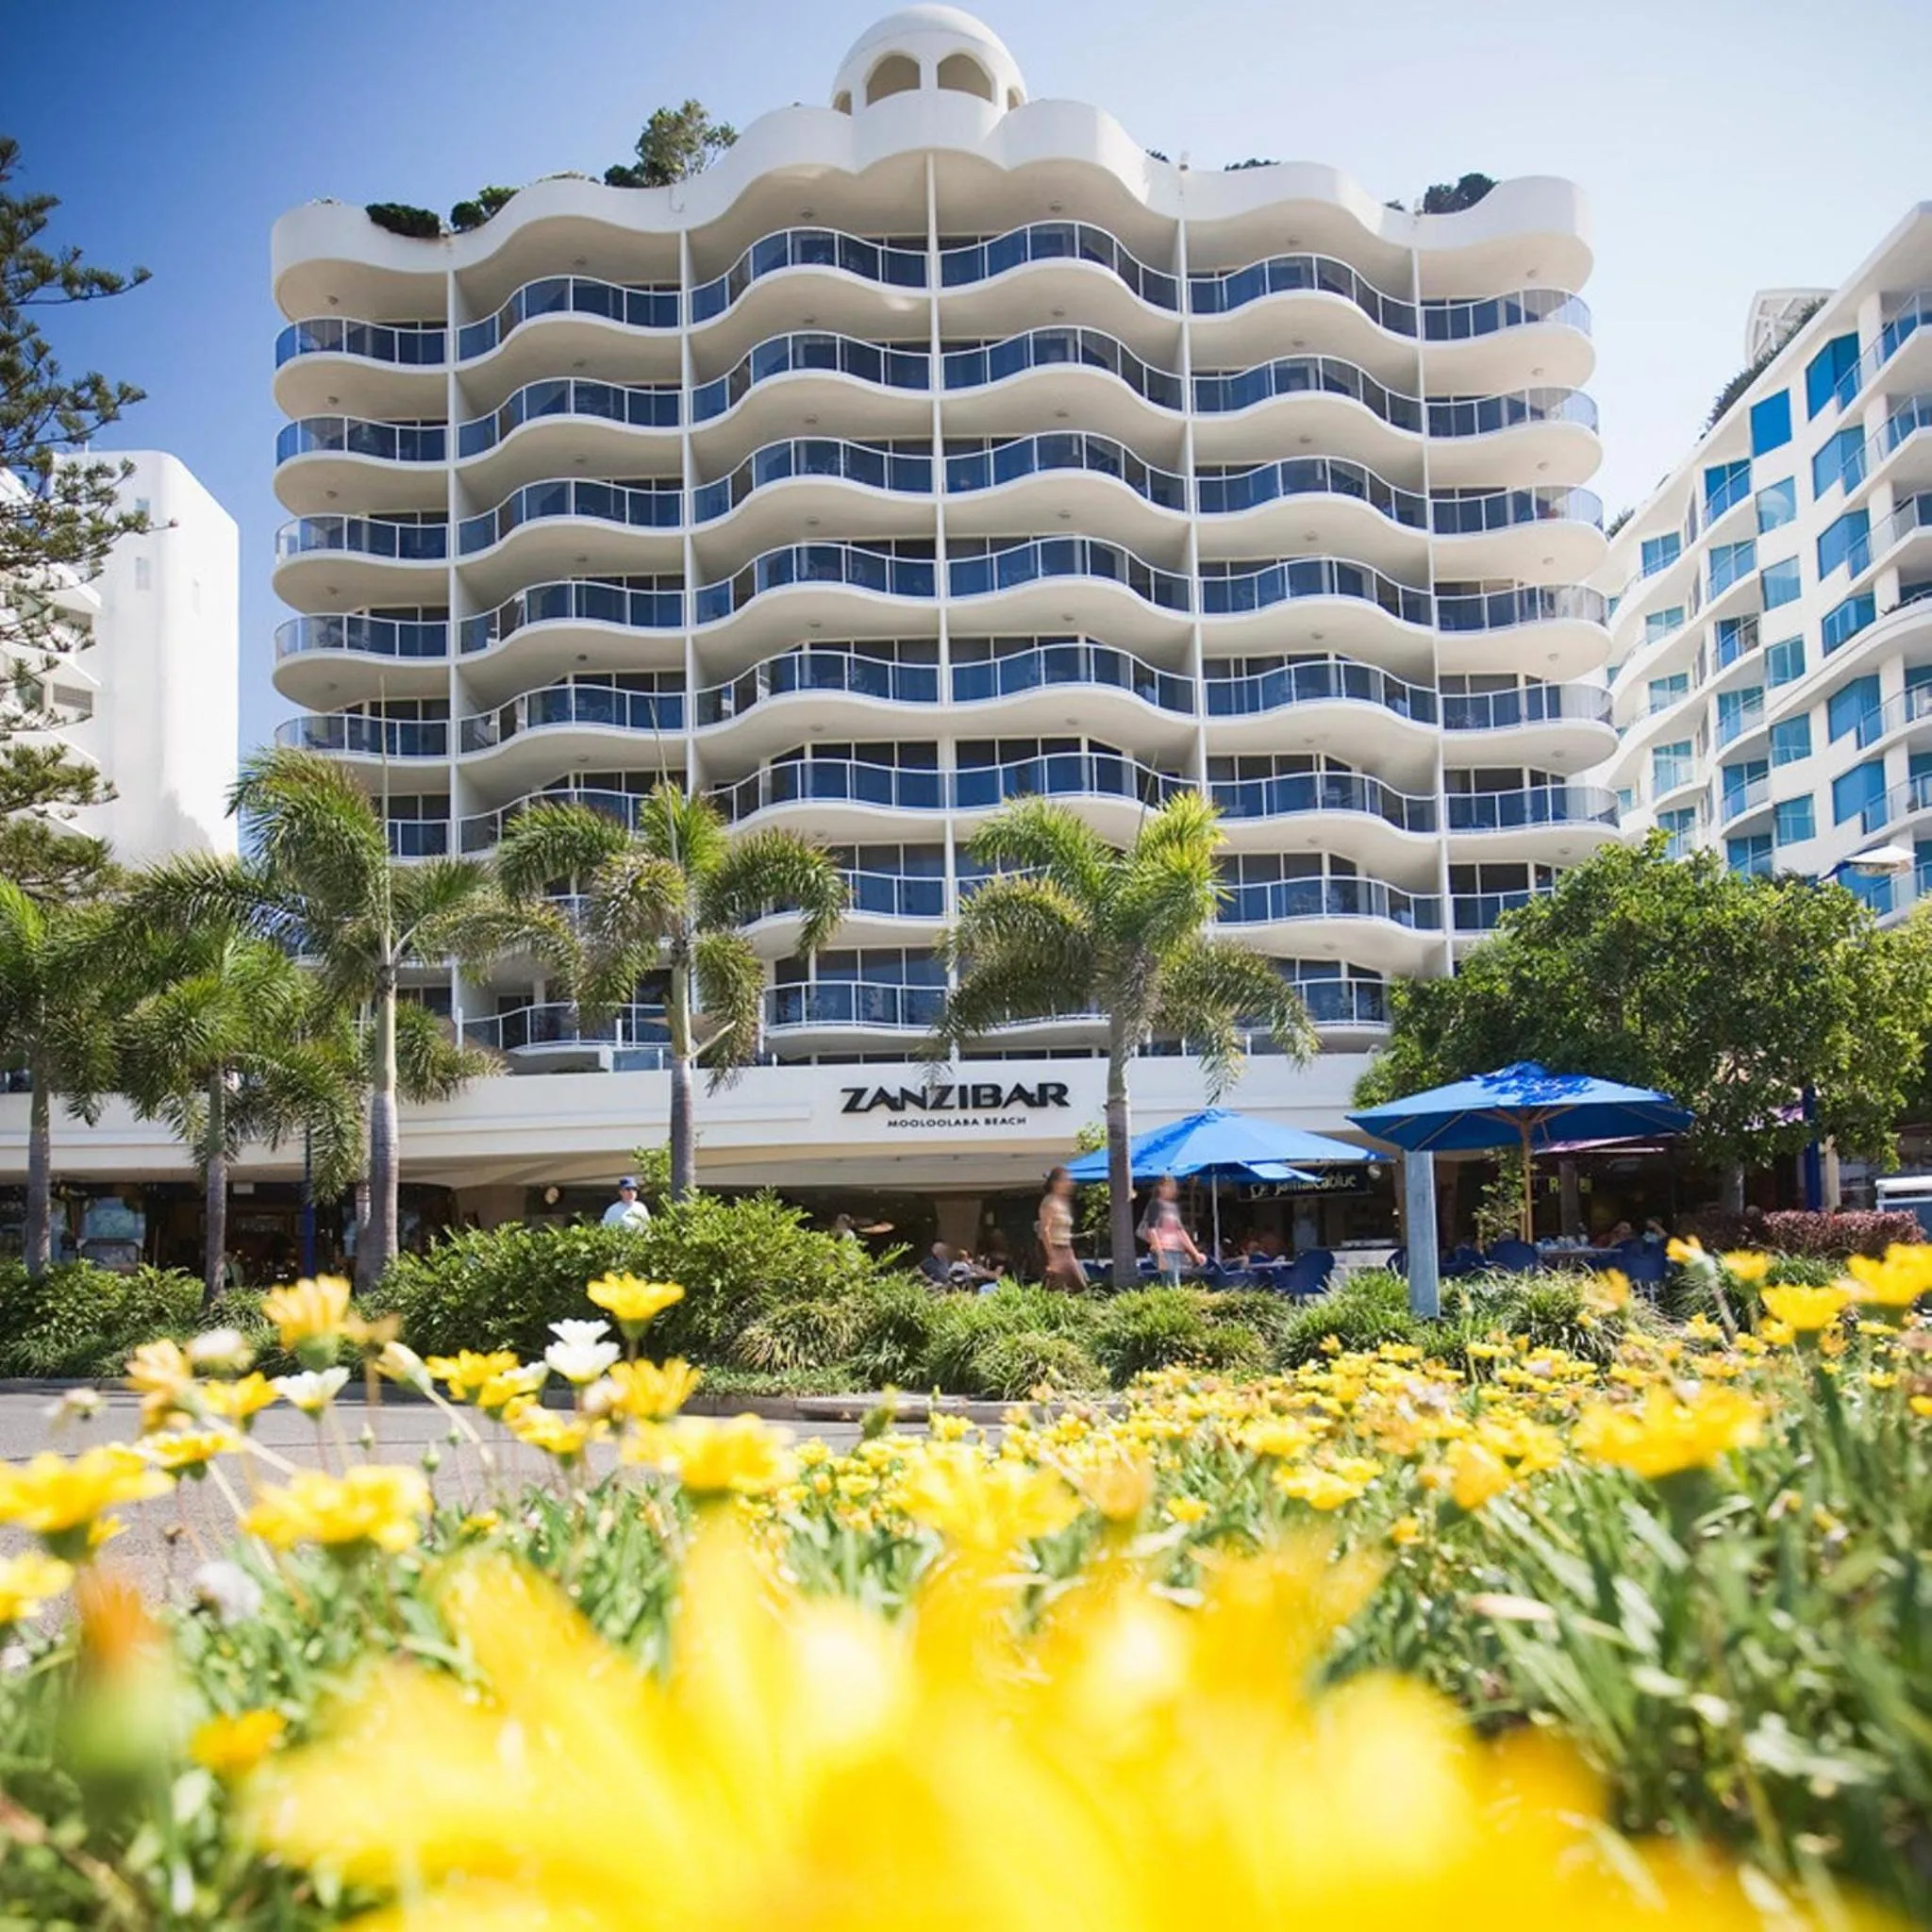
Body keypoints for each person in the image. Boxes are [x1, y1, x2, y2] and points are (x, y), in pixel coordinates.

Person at [1137, 1174, 1203, 1285]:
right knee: (1171, 1284)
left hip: (1175, 1251)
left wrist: (1195, 1254)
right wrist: (1160, 1255)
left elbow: (1180, 1232)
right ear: (1160, 1188)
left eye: (1173, 1187)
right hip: (1163, 1250)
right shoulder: (1155, 1205)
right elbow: (1151, 1230)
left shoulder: (1172, 1208)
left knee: (1172, 1283)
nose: (1172, 1189)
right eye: (1169, 1186)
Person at [1037, 1166, 1086, 1291]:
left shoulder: (1064, 1202)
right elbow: (1044, 1230)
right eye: (1065, 1180)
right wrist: (1052, 1257)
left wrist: (1070, 1254)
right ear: (1055, 1183)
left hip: (1065, 1249)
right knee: (1055, 1289)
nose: (1069, 1183)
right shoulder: (1049, 1202)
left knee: (1079, 1286)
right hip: (1052, 1247)